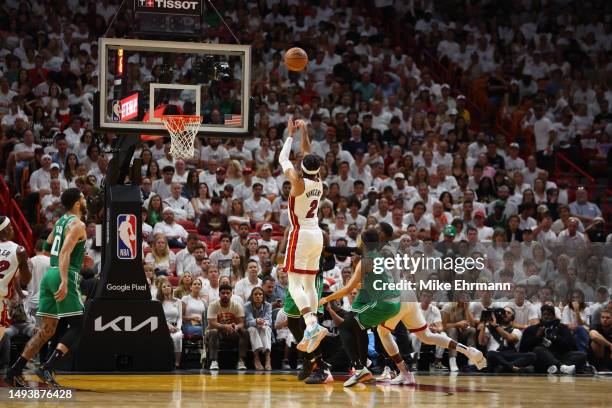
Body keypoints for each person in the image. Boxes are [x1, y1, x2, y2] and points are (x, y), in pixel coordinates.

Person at [6, 188, 86, 388]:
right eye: (83, 198)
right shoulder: (77, 224)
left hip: (50, 274)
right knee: (78, 324)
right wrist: (65, 280)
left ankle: (15, 369)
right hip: (63, 273)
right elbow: (65, 252)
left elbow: (49, 243)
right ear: (77, 203)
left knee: (47, 330)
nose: (85, 200)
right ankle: (48, 367)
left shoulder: (60, 221)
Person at [278, 118, 327, 353]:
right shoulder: (319, 181)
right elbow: (308, 153)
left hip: (301, 234)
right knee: (309, 283)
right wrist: (305, 129)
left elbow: (282, 159)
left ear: (302, 168)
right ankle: (313, 324)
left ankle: (310, 325)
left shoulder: (297, 183)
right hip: (317, 233)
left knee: (294, 283)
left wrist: (290, 135)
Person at [520, 305, 587, 375]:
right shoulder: (531, 329)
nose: (547, 317)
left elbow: (571, 347)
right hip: (541, 359)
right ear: (541, 316)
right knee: (538, 349)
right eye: (544, 314)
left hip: (560, 356)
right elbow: (523, 349)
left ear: (554, 316)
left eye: (549, 314)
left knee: (582, 355)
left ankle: (556, 369)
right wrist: (537, 337)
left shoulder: (562, 328)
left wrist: (556, 338)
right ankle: (562, 368)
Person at [0, 217, 32, 345]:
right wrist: (23, 264)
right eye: (11, 226)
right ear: (5, 229)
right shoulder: (19, 250)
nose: (13, 229)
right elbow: (26, 279)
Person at [478, 306, 536, 373]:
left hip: (510, 356)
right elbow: (482, 343)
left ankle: (503, 367)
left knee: (532, 355)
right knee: (490, 354)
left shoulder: (516, 330)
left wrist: (496, 326)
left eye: (509, 313)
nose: (505, 314)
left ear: (512, 318)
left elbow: (510, 338)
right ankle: (511, 368)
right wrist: (483, 326)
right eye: (504, 312)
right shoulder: (490, 328)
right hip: (495, 356)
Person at [205, 283, 249, 370]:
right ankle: (214, 361)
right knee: (213, 331)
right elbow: (212, 323)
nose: (225, 295)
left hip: (232, 332)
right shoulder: (213, 305)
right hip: (217, 333)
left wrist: (236, 327)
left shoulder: (237, 305)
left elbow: (241, 323)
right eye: (223, 293)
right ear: (219, 294)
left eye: (228, 293)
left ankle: (241, 361)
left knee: (244, 332)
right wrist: (225, 326)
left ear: (231, 294)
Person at [244, 287, 273, 370]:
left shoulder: (268, 305)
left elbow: (269, 321)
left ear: (263, 296)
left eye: (260, 294)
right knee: (252, 329)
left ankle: (268, 359)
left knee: (266, 328)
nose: (258, 296)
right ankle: (256, 358)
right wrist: (256, 321)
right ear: (252, 296)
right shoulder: (247, 306)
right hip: (251, 329)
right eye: (255, 294)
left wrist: (263, 322)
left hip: (263, 327)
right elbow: (248, 322)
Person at [158, 279, 183, 368]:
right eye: (164, 287)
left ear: (172, 288)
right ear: (160, 289)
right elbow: (159, 317)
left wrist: (178, 328)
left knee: (178, 336)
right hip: (162, 326)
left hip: (175, 326)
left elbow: (180, 318)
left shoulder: (178, 301)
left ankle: (177, 363)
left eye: (168, 286)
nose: (166, 288)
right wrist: (168, 326)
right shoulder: (158, 302)